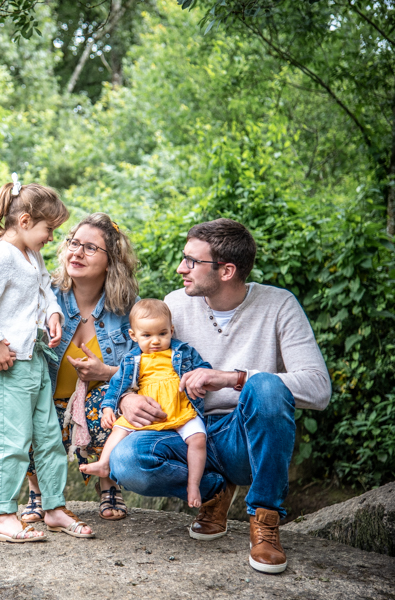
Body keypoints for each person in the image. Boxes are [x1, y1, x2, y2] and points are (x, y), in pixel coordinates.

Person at [109, 218, 331, 574]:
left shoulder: (279, 305)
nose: (181, 268)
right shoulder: (174, 304)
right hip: (183, 431)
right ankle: (214, 493)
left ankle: (264, 519)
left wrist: (231, 378)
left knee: (267, 386)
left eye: (192, 262)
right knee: (126, 462)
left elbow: (318, 387)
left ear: (226, 270)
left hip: (244, 438)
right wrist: (125, 399)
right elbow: (142, 366)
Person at [0, 212, 139, 524]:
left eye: (89, 247)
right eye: (73, 243)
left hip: (96, 404)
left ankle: (108, 483)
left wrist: (107, 373)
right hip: (43, 400)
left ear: (111, 260)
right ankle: (37, 491)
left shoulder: (126, 307)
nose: (76, 252)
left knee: (124, 405)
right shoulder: (44, 292)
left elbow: (146, 365)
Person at [0, 175, 95, 543]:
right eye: (49, 229)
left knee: (49, 437)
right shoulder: (2, 257)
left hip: (36, 358)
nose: (53, 237)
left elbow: (44, 292)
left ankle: (53, 507)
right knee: (12, 440)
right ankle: (3, 515)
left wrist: (52, 313)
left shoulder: (30, 254)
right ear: (24, 222)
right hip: (11, 365)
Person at [79, 299, 210, 508]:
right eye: (147, 336)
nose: (156, 341)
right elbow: (117, 385)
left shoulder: (182, 352)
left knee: (198, 440)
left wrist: (201, 380)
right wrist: (107, 409)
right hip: (146, 411)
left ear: (171, 330)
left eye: (162, 333)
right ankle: (104, 463)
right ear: (134, 335)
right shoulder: (133, 359)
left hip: (181, 408)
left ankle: (193, 485)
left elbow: (205, 369)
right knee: (119, 429)